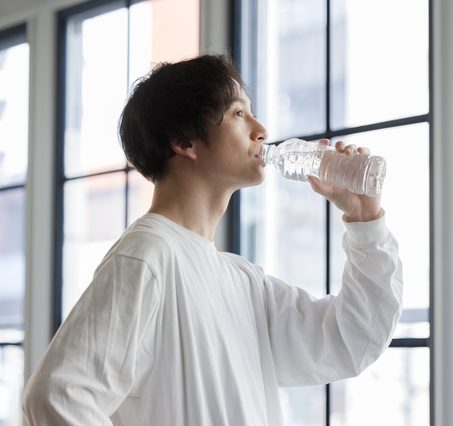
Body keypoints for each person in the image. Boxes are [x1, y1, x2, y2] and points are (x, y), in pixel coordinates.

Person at [22, 54, 403, 425]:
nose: (261, 130)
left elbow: (349, 340)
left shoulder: (241, 280)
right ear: (184, 140)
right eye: (239, 113)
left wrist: (364, 218)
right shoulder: (147, 256)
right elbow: (58, 395)